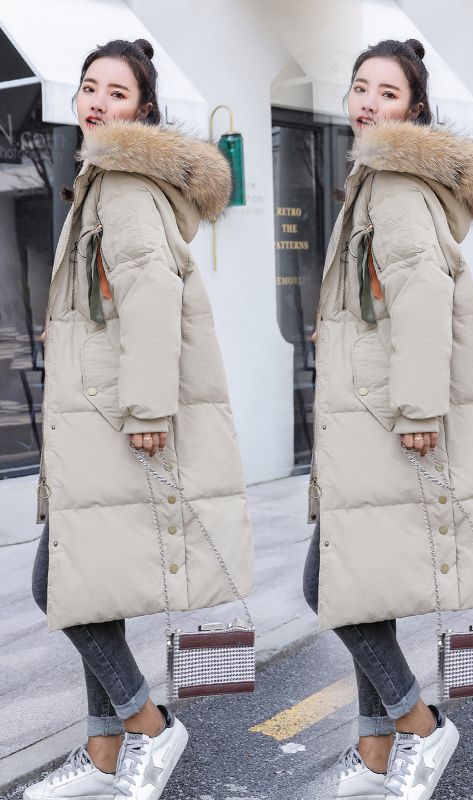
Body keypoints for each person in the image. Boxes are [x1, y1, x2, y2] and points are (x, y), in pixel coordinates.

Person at [25, 38, 253, 800]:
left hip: (113, 420)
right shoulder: (101, 180)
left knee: (57, 581)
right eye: (89, 87)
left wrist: (148, 407)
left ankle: (146, 725)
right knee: (97, 586)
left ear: (143, 110)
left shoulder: (121, 183)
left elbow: (151, 291)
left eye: (115, 93)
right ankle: (103, 753)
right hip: (96, 413)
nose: (96, 102)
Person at [302, 38, 473, 800]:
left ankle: (417, 726)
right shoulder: (375, 180)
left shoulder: (393, 183)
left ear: (415, 110)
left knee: (328, 583)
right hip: (370, 414)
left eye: (387, 93)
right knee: (369, 586)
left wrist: (420, 408)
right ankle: (375, 753)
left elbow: (423, 292)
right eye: (360, 87)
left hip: (385, 421)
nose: (367, 102)